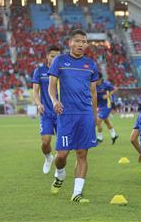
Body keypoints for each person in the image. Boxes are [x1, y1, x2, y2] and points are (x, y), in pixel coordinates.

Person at [48, 29, 99, 203]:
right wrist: (54, 100)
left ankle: (77, 193)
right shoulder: (59, 61)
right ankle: (60, 173)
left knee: (82, 154)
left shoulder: (91, 64)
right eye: (77, 41)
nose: (81, 44)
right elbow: (52, 86)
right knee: (61, 155)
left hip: (85, 114)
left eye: (84, 42)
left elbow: (93, 93)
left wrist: (94, 116)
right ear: (70, 42)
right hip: (66, 114)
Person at [32, 45, 61, 174]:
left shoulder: (63, 71)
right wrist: (38, 104)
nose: (55, 59)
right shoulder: (39, 71)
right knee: (45, 142)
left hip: (61, 113)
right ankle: (48, 157)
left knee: (61, 145)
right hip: (46, 113)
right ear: (47, 57)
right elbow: (35, 91)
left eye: (57, 57)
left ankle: (59, 169)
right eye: (52, 56)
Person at [95, 75, 119, 144]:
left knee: (98, 121)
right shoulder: (94, 85)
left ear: (99, 79)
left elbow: (115, 89)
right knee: (106, 121)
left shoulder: (106, 85)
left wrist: (107, 96)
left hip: (107, 105)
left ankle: (100, 138)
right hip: (100, 105)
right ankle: (114, 135)